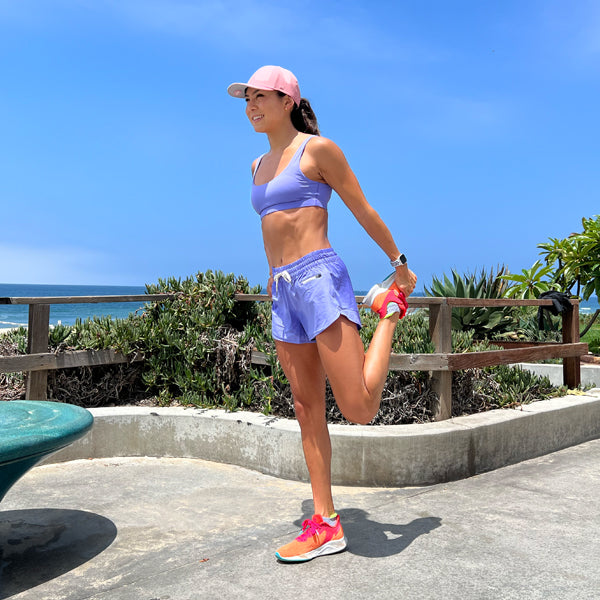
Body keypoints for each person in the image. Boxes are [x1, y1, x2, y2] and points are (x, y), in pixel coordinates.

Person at [227, 65, 417, 563]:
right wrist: (272, 275)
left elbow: (361, 207)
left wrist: (398, 265)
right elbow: (273, 228)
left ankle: (388, 314)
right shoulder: (257, 165)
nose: (251, 105)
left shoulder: (318, 150)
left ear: (287, 100)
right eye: (246, 98)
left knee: (357, 407)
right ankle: (326, 522)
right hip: (284, 290)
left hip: (320, 280)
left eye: (260, 96)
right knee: (307, 409)